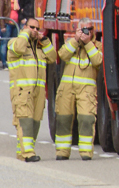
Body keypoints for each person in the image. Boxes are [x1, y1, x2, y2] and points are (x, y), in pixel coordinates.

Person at [7, 17, 56, 162]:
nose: (34, 31)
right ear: (24, 27)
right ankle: (28, 153)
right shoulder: (15, 43)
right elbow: (18, 49)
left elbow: (53, 57)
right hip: (22, 90)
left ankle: (21, 152)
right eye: (31, 27)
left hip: (38, 91)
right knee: (25, 121)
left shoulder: (40, 47)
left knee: (35, 122)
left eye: (37, 28)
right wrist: (25, 34)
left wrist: (45, 40)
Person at [53, 21, 102, 160]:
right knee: (63, 119)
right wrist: (75, 40)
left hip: (86, 90)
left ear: (93, 31)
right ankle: (62, 152)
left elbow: (98, 61)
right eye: (83, 29)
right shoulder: (71, 43)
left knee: (86, 119)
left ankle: (86, 152)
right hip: (67, 88)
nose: (86, 32)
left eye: (89, 29)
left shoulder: (97, 46)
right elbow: (62, 55)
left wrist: (87, 44)